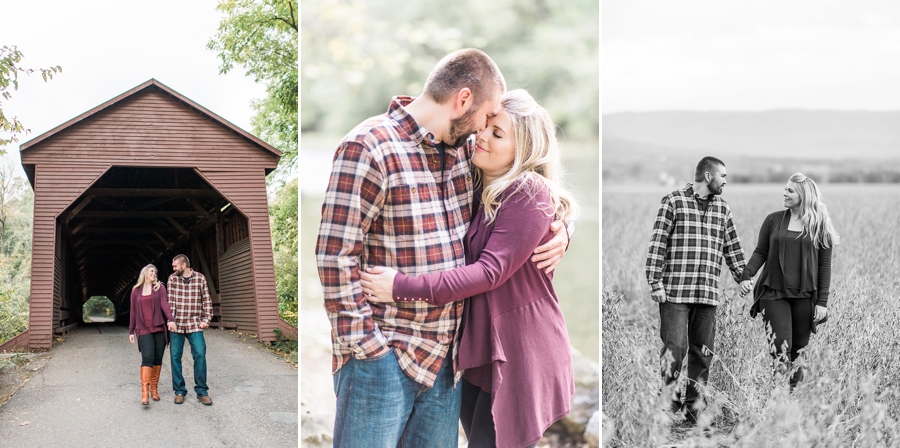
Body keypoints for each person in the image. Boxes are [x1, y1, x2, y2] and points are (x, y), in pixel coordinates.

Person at [315, 49, 570, 447]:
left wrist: (563, 229)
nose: (484, 130)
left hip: (447, 363)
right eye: (487, 118)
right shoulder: (369, 146)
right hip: (385, 357)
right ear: (463, 100)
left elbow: (529, 180)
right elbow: (335, 257)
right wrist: (368, 350)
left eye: (493, 126)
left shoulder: (463, 152)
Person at [645, 156, 746, 424]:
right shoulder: (673, 201)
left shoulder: (723, 209)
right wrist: (655, 282)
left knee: (703, 354)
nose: (726, 181)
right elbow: (658, 244)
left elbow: (732, 247)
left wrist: (742, 276)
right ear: (709, 176)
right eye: (723, 176)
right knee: (674, 350)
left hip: (707, 294)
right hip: (675, 292)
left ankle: (694, 408)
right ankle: (668, 405)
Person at [739, 172, 839, 390]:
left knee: (799, 352)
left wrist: (822, 302)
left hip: (805, 296)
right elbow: (760, 252)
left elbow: (825, 266)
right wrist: (747, 274)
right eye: (785, 189)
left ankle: (792, 403)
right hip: (773, 293)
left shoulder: (820, 224)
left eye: (790, 190)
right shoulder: (773, 220)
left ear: (803, 195)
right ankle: (779, 398)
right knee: (780, 347)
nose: (784, 193)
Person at [167, 254, 214, 406]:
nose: (173, 269)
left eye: (175, 266)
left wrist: (207, 319)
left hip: (194, 323)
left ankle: (202, 391)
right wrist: (171, 320)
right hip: (177, 324)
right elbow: (170, 301)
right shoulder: (172, 279)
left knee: (200, 353)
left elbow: (206, 298)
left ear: (184, 265)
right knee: (175, 357)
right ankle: (179, 391)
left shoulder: (200, 278)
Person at [128, 263, 176, 405]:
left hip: (159, 328)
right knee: (147, 357)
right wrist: (131, 330)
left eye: (155, 272)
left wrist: (170, 319)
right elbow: (133, 311)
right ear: (144, 273)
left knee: (157, 358)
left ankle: (154, 389)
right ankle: (145, 393)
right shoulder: (136, 291)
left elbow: (164, 304)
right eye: (151, 271)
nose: (154, 273)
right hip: (143, 329)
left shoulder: (159, 288)